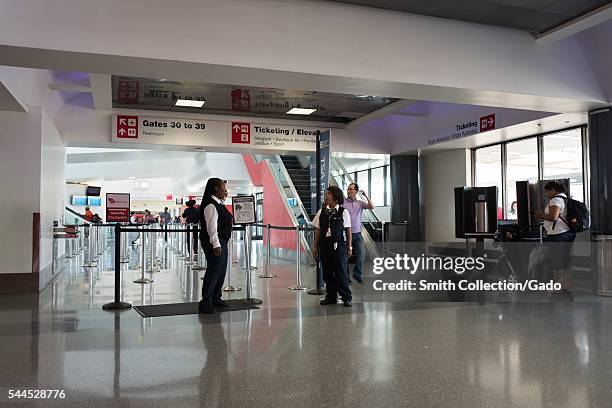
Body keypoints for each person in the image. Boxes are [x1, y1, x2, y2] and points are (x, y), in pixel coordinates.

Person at [313, 185, 353, 307]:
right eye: (327, 194)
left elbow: (348, 231)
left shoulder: (343, 212)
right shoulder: (321, 212)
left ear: (336, 198)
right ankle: (331, 296)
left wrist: (349, 247)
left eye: (329, 194)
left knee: (341, 271)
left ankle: (346, 297)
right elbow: (318, 230)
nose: (326, 196)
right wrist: (315, 246)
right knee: (327, 272)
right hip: (325, 246)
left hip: (339, 246)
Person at [533, 181, 576, 293]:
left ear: (553, 190)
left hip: (558, 235)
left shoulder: (556, 200)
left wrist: (540, 215)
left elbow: (553, 217)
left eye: (547, 191)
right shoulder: (564, 199)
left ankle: (558, 287)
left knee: (557, 261)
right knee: (564, 260)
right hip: (565, 234)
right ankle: (566, 286)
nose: (546, 194)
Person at [198, 178, 232, 314]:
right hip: (215, 242)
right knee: (214, 271)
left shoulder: (218, 203)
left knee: (221, 270)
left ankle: (216, 298)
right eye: (223, 187)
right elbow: (211, 227)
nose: (225, 189)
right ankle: (206, 302)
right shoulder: (210, 204)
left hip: (221, 241)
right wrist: (216, 244)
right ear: (216, 188)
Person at [343, 183, 374, 283]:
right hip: (346, 234)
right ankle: (346, 277)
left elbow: (371, 206)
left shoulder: (360, 203)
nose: (349, 191)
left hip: (357, 234)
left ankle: (357, 274)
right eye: (348, 189)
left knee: (361, 255)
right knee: (346, 257)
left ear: (356, 191)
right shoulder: (343, 202)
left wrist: (365, 195)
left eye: (351, 189)